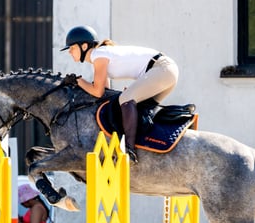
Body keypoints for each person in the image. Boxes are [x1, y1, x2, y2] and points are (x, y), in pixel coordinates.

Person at [60, 25, 179, 163]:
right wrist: (79, 83)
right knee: (137, 107)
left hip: (162, 69)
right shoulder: (100, 57)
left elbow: (97, 91)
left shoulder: (98, 55)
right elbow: (104, 93)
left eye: (72, 47)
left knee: (126, 99)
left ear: (84, 46)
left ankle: (128, 150)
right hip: (165, 71)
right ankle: (146, 149)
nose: (69, 52)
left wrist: (78, 81)